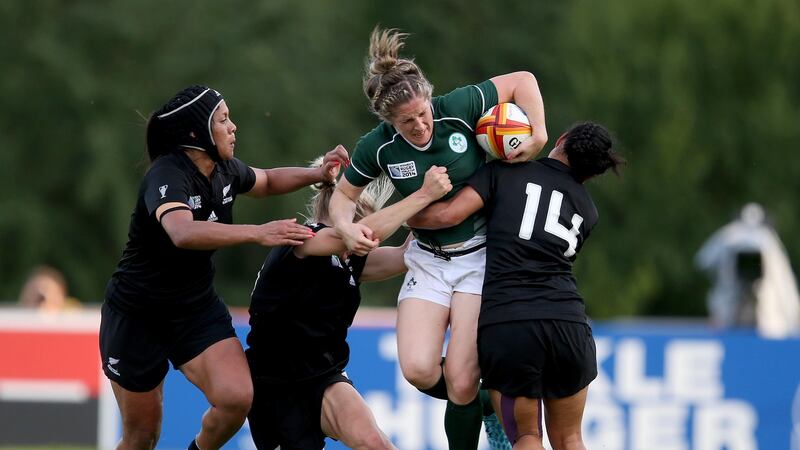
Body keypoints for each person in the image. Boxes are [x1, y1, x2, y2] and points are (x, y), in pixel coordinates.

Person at [329, 27, 548, 449]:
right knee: (418, 370)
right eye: (407, 121)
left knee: (461, 380)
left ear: (431, 99)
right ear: (388, 121)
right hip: (426, 258)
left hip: (479, 259)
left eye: (423, 113)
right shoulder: (378, 147)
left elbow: (523, 80)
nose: (420, 125)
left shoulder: (458, 107)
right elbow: (343, 196)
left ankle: (477, 403)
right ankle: (487, 399)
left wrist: (537, 133)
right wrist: (344, 227)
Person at [98, 85, 349, 450]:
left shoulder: (224, 169)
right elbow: (181, 232)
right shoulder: (167, 176)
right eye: (223, 119)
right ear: (197, 133)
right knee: (141, 438)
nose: (233, 127)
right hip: (138, 317)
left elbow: (265, 180)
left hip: (194, 309)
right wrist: (258, 233)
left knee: (236, 398)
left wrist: (318, 173)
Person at [408, 122, 624, 449]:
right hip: (569, 325)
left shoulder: (504, 172)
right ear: (591, 174)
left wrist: (405, 215)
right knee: (570, 438)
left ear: (561, 140)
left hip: (511, 325)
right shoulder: (587, 208)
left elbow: (448, 215)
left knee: (527, 436)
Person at [246, 158, 452, 449]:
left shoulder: (351, 262)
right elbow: (362, 235)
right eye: (363, 225)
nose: (371, 245)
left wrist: (443, 187)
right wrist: (424, 194)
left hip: (323, 376)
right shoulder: (302, 240)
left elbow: (409, 253)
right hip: (273, 384)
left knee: (374, 442)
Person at [695, 202, 800, 338]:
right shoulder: (765, 239)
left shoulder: (730, 235)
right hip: (733, 309)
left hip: (759, 312)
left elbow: (703, 261)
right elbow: (785, 283)